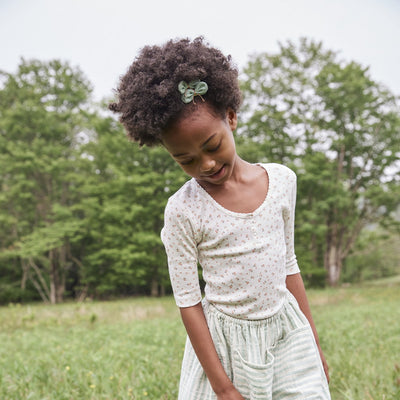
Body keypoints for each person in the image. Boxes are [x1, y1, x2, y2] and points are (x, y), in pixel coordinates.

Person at [109, 37, 331, 400]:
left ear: (231, 117)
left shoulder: (281, 182)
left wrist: (314, 346)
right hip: (227, 350)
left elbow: (289, 265)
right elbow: (189, 302)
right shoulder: (183, 210)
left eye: (212, 146)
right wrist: (223, 388)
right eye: (186, 160)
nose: (206, 165)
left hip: (287, 336)